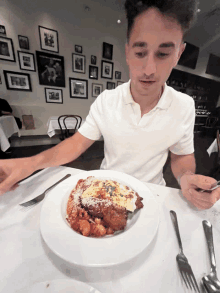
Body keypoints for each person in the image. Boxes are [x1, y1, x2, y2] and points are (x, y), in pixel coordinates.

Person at [0, 0, 219, 211]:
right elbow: (75, 144)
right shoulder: (106, 100)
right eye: (140, 52)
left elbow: (182, 155)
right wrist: (30, 163)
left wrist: (187, 177)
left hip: (151, 195)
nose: (149, 69)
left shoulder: (184, 106)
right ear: (127, 52)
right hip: (105, 190)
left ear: (178, 54)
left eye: (163, 54)